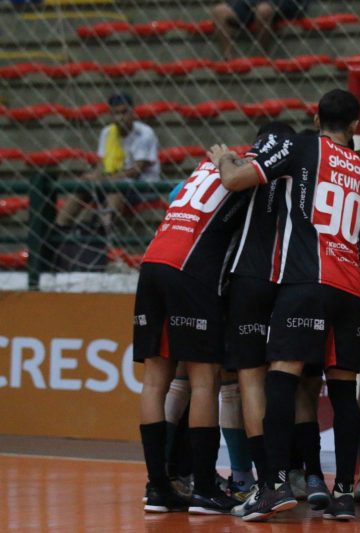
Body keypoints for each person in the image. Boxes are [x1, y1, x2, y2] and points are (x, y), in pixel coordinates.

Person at [208, 89, 360, 522]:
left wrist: (224, 157)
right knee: (344, 386)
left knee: (282, 377)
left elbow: (235, 181)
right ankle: (345, 493)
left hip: (306, 279)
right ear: (356, 125)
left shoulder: (300, 147)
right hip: (351, 286)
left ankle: (274, 484)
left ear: (316, 119)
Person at [134, 130, 251, 515]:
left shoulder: (203, 168)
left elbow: (174, 199)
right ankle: (203, 487)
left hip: (152, 262)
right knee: (206, 380)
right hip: (190, 270)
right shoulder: (249, 174)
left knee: (155, 381)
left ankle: (157, 487)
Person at [56, 92, 160, 231]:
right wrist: (93, 177)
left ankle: (104, 231)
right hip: (111, 181)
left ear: (132, 112)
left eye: (124, 112)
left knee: (115, 188)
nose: (120, 117)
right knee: (83, 185)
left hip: (143, 186)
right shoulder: (107, 132)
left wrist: (106, 180)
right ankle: (60, 228)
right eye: (115, 113)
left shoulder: (145, 133)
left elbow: (137, 170)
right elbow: (102, 165)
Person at [211, 0, 312, 59]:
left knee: (263, 10)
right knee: (219, 11)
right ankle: (228, 59)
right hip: (251, 3)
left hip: (283, 3)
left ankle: (263, 57)